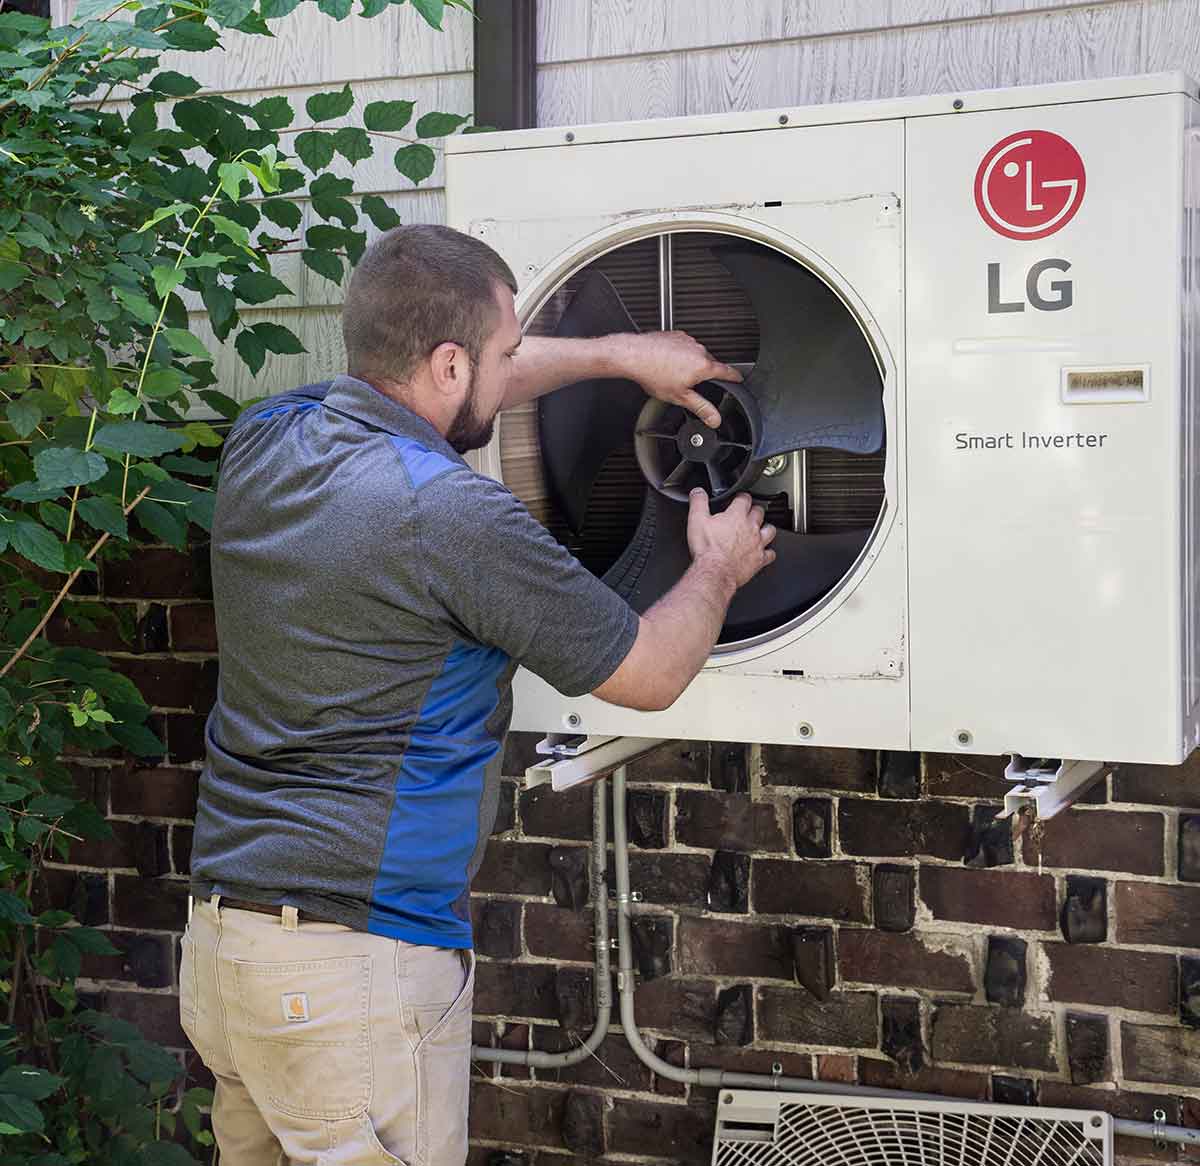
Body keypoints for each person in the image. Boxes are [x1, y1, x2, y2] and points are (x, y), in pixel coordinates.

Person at [181, 224, 776, 1166]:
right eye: (502, 356)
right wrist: (718, 567)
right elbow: (654, 671)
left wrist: (622, 356)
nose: (513, 373)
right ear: (450, 363)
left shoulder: (268, 440)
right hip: (356, 970)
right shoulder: (449, 514)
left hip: (227, 957)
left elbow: (465, 372)